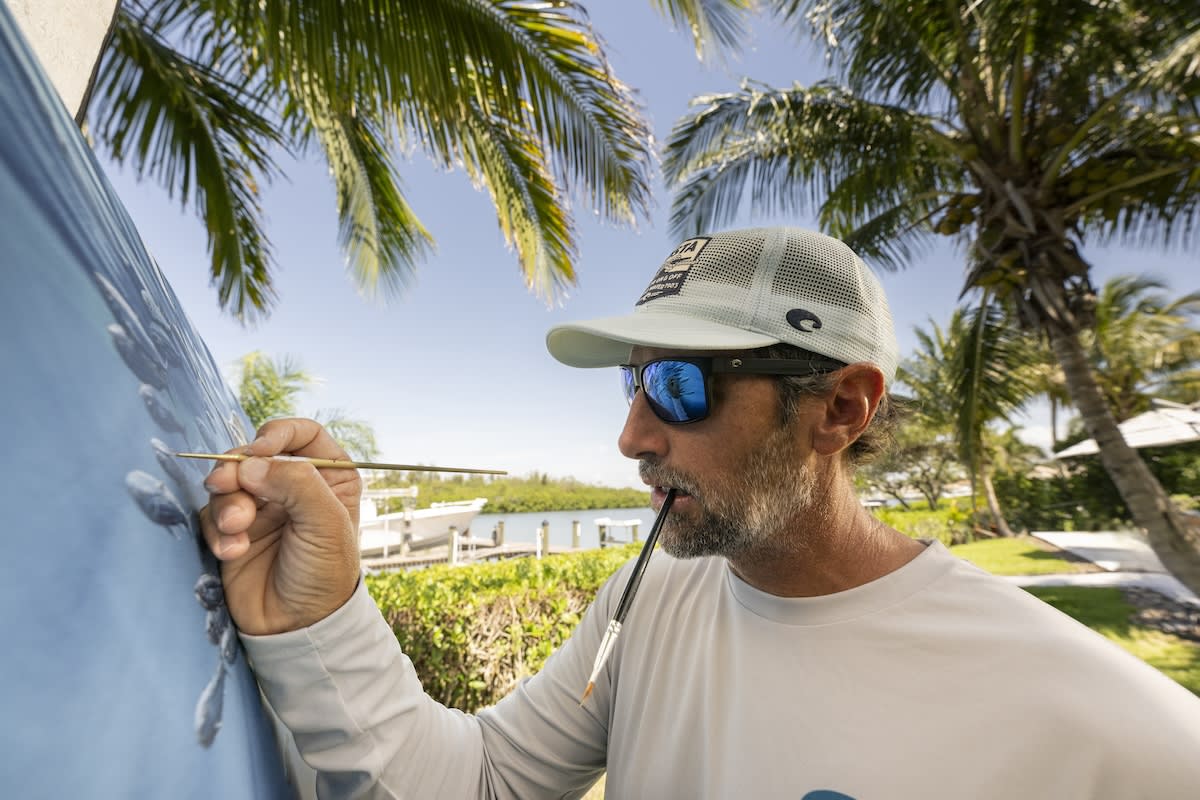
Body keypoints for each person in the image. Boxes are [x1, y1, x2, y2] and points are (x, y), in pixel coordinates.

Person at [202, 227, 1200, 799]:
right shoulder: (650, 600)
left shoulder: (1118, 736)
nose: (632, 435)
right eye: (632, 382)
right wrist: (318, 614)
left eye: (681, 386)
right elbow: (483, 782)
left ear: (841, 408)